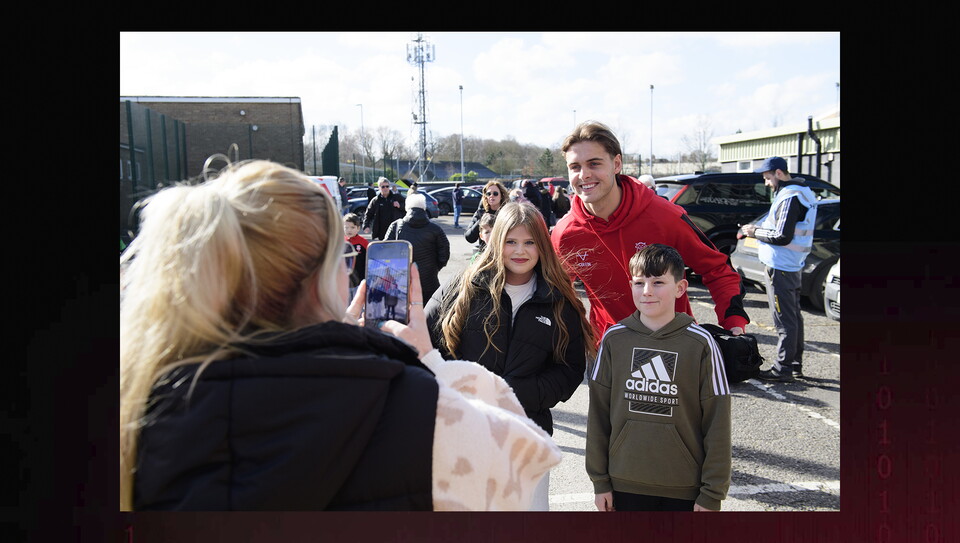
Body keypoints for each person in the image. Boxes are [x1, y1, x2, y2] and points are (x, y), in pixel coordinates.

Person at [119, 159, 560, 511]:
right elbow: (524, 464)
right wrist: (425, 363)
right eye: (344, 256)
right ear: (322, 277)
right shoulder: (420, 404)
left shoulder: (143, 404)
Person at [425, 202, 596, 511]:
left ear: (542, 245)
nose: (520, 250)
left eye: (530, 242)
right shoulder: (462, 288)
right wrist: (463, 394)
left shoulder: (559, 301)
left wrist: (516, 395)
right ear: (496, 242)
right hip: (464, 437)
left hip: (527, 439)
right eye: (510, 241)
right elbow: (425, 346)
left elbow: (570, 370)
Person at [550, 121, 749, 344]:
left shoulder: (665, 216)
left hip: (674, 346)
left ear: (616, 164)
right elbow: (554, 294)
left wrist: (734, 324)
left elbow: (718, 270)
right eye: (575, 167)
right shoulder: (565, 233)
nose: (584, 175)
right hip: (609, 352)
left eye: (594, 164)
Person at [586, 244, 731, 512]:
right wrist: (600, 480)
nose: (648, 291)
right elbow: (598, 414)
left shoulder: (700, 343)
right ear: (630, 285)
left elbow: (717, 420)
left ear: (680, 288)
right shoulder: (614, 339)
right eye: (640, 283)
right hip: (623, 483)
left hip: (684, 487)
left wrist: (712, 492)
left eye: (658, 282)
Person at [739, 156, 818, 382]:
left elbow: (782, 235)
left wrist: (754, 232)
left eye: (767, 178)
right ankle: (793, 365)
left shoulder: (790, 196)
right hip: (792, 263)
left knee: (784, 319)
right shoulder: (804, 192)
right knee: (793, 317)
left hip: (780, 265)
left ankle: (783, 368)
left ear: (779, 173)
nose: (767, 183)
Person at [384, 192, 450, 303]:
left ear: (406, 208)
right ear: (424, 208)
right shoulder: (435, 229)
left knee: (404, 314)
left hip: (401, 281)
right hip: (429, 280)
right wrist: (434, 268)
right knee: (430, 313)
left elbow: (385, 251)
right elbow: (444, 253)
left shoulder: (396, 226)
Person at [463, 180, 507, 251]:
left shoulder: (507, 213)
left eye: (495, 193)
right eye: (488, 194)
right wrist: (481, 220)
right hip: (485, 254)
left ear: (501, 196)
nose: (491, 196)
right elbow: (469, 237)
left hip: (503, 253)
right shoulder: (480, 213)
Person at [363, 177, 404, 241]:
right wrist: (366, 226)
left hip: (396, 230)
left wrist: (400, 205)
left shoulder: (397, 197)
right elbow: (368, 214)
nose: (385, 188)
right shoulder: (376, 200)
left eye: (387, 186)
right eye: (383, 187)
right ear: (379, 188)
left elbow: (408, 207)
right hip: (381, 231)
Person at [343, 212, 368, 299]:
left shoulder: (363, 242)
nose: (349, 230)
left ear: (358, 228)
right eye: (346, 227)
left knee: (357, 301)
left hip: (359, 279)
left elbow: (368, 259)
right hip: (344, 280)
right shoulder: (341, 242)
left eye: (352, 227)